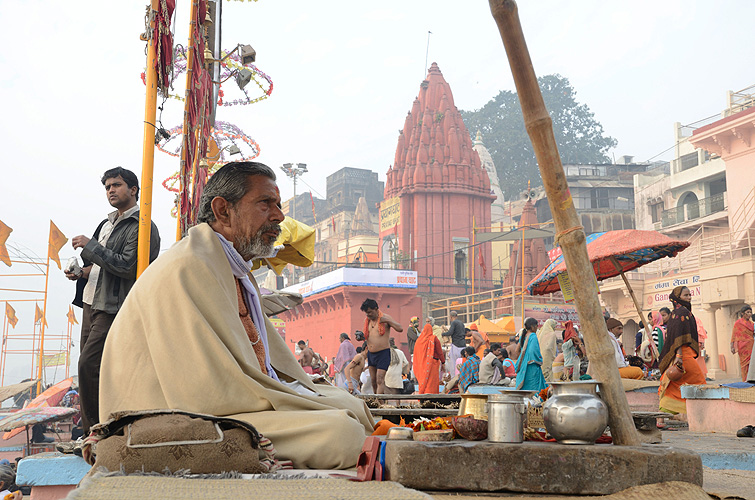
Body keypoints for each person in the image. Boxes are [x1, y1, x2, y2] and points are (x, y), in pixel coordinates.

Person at [98, 161, 373, 469]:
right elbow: (205, 395)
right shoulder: (188, 267)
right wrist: (296, 399)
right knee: (341, 432)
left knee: (350, 405)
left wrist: (302, 394)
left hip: (230, 404)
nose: (279, 216)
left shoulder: (232, 268)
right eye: (265, 204)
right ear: (223, 210)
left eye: (278, 205)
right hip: (172, 420)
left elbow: (265, 370)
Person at [65, 167, 160, 435]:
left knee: (90, 365)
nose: (111, 191)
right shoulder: (105, 224)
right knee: (90, 367)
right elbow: (99, 266)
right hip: (90, 303)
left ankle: (96, 432)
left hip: (113, 307)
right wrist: (80, 272)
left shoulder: (141, 226)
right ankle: (94, 431)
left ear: (133, 190)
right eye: (107, 187)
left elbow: (127, 266)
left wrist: (89, 246)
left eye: (116, 185)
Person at [657, 286, 706, 416]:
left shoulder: (680, 312)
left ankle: (662, 418)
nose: (689, 297)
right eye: (686, 295)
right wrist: (678, 356)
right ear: (678, 297)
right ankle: (700, 414)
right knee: (700, 382)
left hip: (684, 354)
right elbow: (678, 338)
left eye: (690, 295)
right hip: (683, 355)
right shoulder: (681, 313)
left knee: (672, 385)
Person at [360, 298, 402, 394]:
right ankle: (377, 401)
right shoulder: (367, 321)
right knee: (373, 381)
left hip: (383, 353)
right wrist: (361, 337)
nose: (368, 315)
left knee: (380, 379)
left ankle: (380, 402)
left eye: (370, 312)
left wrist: (387, 321)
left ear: (376, 309)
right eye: (367, 313)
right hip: (371, 354)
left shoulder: (385, 318)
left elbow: (400, 328)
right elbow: (366, 336)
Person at [514, 317, 547, 392]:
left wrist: (524, 358)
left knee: (524, 389)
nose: (537, 328)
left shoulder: (523, 336)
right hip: (531, 366)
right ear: (532, 327)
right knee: (534, 389)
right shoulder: (533, 336)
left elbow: (517, 350)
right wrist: (538, 359)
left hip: (523, 365)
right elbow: (533, 351)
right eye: (536, 326)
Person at [414, 319, 445, 394]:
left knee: (423, 380)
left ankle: (423, 395)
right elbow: (440, 352)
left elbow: (416, 354)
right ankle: (432, 398)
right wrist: (443, 362)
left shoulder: (419, 341)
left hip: (422, 365)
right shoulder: (434, 338)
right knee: (432, 382)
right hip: (433, 364)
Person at [730, 305, 753, 382]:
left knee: (751, 363)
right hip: (742, 346)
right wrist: (732, 346)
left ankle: (751, 379)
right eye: (747, 312)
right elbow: (734, 335)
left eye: (750, 312)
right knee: (744, 364)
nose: (749, 314)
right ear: (743, 313)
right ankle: (745, 380)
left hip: (751, 345)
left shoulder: (752, 323)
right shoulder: (738, 323)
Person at [446, 311, 466, 377]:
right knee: (462, 364)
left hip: (456, 346)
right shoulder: (461, 323)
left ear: (451, 317)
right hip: (463, 346)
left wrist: (442, 334)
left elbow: (450, 332)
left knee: (453, 365)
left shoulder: (454, 322)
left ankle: (454, 379)